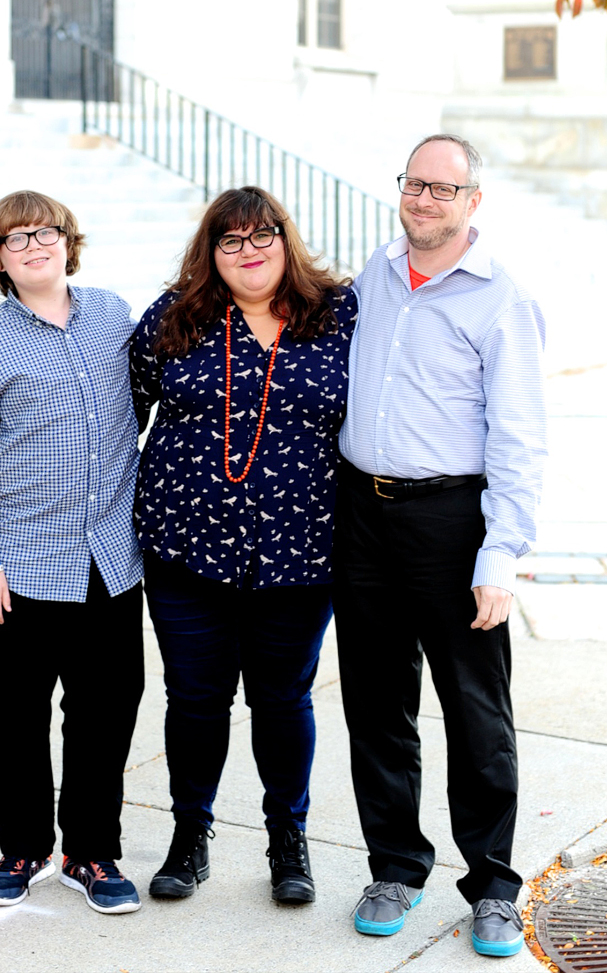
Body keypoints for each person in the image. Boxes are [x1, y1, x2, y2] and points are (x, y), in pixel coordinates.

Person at [335, 134, 547, 958]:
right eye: (413, 184)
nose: (423, 199)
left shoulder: (502, 300)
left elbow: (520, 439)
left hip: (451, 525)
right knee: (377, 703)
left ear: (472, 202)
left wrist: (499, 556)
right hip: (362, 516)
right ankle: (395, 864)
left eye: (442, 188)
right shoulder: (375, 276)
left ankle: (492, 883)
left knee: (475, 710)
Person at [130, 186, 357, 906]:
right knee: (194, 699)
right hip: (184, 552)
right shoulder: (174, 319)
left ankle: (287, 840)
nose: (249, 250)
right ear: (212, 253)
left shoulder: (339, 316)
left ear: (286, 241)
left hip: (300, 555)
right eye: (231, 240)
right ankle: (189, 837)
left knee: (282, 700)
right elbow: (124, 413)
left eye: (263, 235)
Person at [0, 190, 145, 916]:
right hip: (21, 567)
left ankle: (90, 852)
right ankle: (22, 847)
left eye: (45, 231)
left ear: (68, 240)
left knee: (106, 712)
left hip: (112, 561)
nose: (33, 244)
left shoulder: (115, 316)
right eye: (14, 237)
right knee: (18, 716)